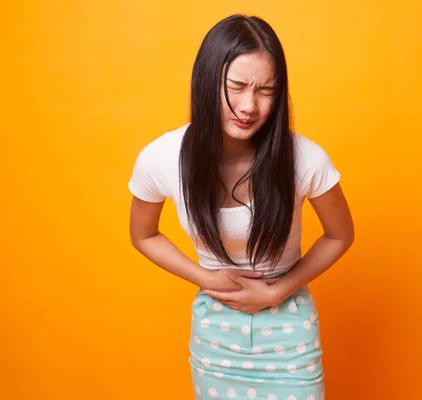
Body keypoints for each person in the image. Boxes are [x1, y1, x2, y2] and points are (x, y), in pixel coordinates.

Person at [128, 13, 354, 400]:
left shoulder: (305, 158)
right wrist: (206, 278)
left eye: (266, 90)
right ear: (206, 80)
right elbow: (143, 234)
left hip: (288, 327)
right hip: (215, 327)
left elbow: (340, 235)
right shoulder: (161, 157)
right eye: (236, 86)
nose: (249, 105)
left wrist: (278, 291)